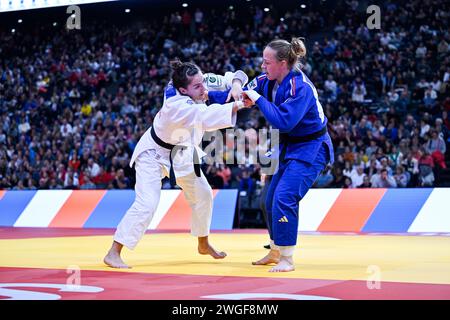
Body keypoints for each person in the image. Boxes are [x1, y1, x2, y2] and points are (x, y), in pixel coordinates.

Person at [103, 61, 251, 268]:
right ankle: (113, 252)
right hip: (153, 154)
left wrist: (235, 85)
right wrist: (239, 104)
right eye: (197, 87)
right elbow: (206, 117)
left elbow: (237, 75)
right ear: (183, 90)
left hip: (182, 152)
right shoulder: (176, 104)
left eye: (203, 83)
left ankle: (203, 243)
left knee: (204, 195)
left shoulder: (196, 80)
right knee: (147, 203)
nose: (204, 88)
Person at [242, 38, 334, 272]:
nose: (262, 67)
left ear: (282, 63)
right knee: (267, 200)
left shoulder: (300, 87)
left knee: (284, 197)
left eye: (267, 62)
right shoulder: (268, 80)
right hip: (286, 145)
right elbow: (246, 89)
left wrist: (257, 99)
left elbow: (283, 121)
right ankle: (275, 251)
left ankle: (287, 259)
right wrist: (233, 87)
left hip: (310, 146)